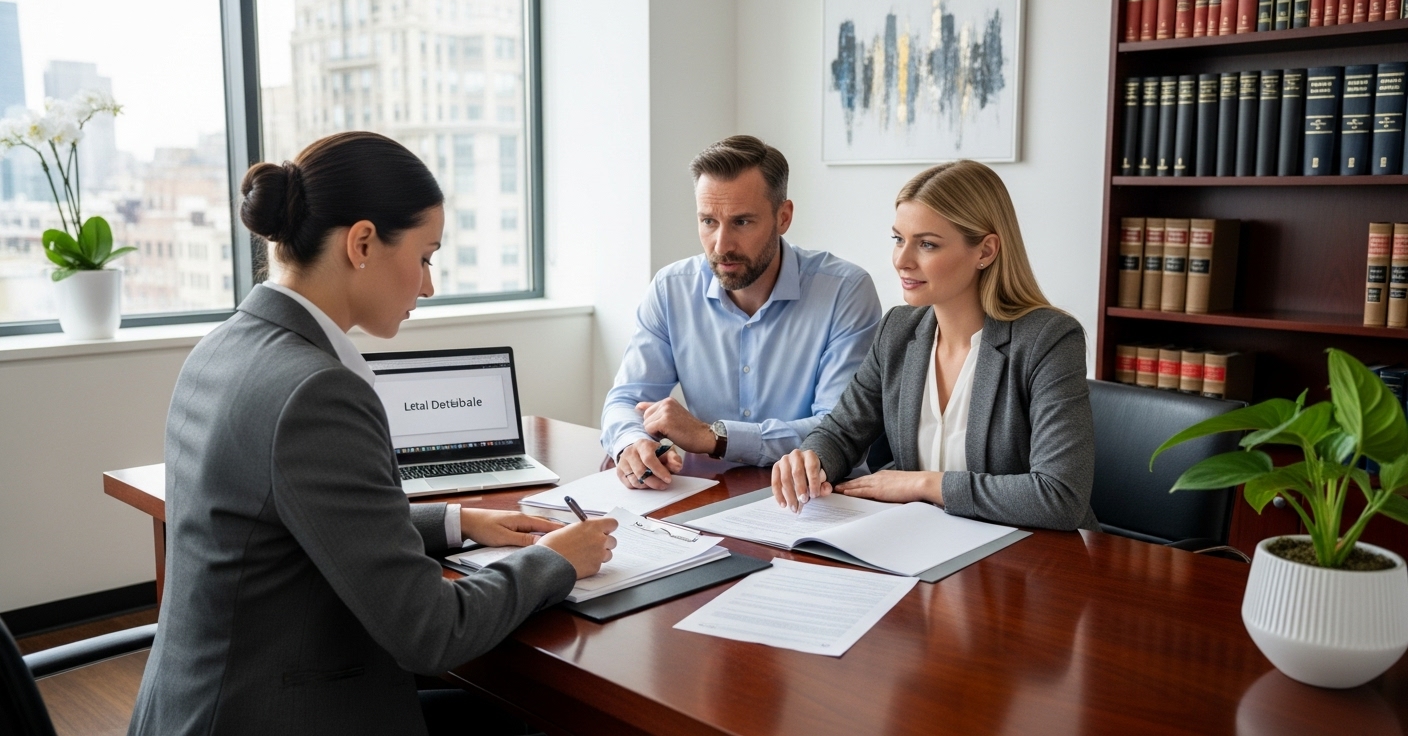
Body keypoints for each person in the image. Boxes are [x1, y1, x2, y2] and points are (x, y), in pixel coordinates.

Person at [128, 132, 617, 736]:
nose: (429, 285)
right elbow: (431, 634)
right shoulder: (318, 391)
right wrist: (553, 561)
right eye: (425, 256)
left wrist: (458, 522)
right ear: (362, 242)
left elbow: (293, 522)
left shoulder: (225, 346)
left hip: (194, 709)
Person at [771, 160, 1098, 531]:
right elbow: (841, 432)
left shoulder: (1049, 340)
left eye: (926, 244)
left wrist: (925, 483)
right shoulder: (898, 329)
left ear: (986, 251)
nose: (902, 260)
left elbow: (1060, 497)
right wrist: (811, 461)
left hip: (1028, 560)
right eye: (898, 239)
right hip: (924, 545)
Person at [600, 135, 882, 488]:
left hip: (821, 498)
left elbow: (837, 431)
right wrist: (632, 443)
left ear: (783, 217)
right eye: (708, 221)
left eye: (742, 222)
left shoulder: (845, 291)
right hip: (712, 493)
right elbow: (626, 399)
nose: (721, 245)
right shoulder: (671, 288)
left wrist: (715, 437)